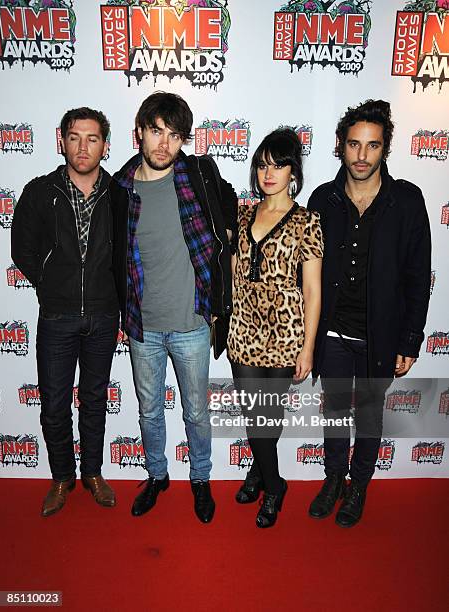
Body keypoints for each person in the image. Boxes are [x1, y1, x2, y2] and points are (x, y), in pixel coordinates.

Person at [113, 91, 237, 524]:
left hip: (192, 325)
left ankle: (200, 478)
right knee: (148, 410)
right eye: (156, 132)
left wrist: (220, 298)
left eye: (174, 135)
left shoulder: (200, 174)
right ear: (139, 134)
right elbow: (115, 259)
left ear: (184, 140)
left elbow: (229, 226)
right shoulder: (120, 189)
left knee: (196, 411)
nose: (164, 144)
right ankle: (157, 474)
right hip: (142, 328)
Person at [307, 99, 431, 527]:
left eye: (372, 146)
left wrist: (410, 340)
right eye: (354, 145)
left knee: (369, 415)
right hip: (334, 334)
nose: (362, 155)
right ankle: (333, 479)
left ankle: (358, 486)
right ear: (340, 146)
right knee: (336, 412)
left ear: (385, 149)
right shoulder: (322, 199)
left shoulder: (407, 201)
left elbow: (418, 278)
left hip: (381, 334)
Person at [11, 107, 126, 516]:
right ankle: (62, 477)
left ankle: (92, 473)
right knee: (55, 403)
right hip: (57, 315)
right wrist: (50, 280)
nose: (83, 146)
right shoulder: (40, 191)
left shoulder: (119, 194)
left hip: (103, 314)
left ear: (105, 146)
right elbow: (22, 249)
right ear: (62, 140)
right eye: (75, 137)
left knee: (94, 400)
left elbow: (129, 256)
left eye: (92, 138)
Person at [227, 128, 323, 528]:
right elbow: (232, 267)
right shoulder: (242, 214)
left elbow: (313, 291)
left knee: (269, 416)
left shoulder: (307, 221)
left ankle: (269, 482)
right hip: (243, 328)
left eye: (279, 164)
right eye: (263, 164)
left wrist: (307, 348)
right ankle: (269, 478)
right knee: (256, 417)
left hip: (286, 334)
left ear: (293, 171)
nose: (270, 173)